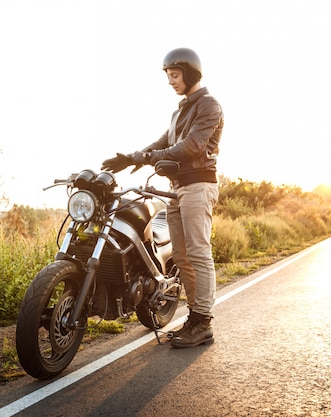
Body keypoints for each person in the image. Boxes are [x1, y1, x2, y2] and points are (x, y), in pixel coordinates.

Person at [101, 47, 223, 349]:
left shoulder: (209, 105)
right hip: (177, 188)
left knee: (198, 253)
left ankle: (203, 320)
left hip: (198, 186)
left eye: (175, 74)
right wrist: (132, 158)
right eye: (168, 75)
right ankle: (195, 318)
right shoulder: (178, 111)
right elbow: (164, 142)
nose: (170, 80)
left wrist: (151, 156)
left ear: (190, 72)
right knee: (181, 257)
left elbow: (193, 145)